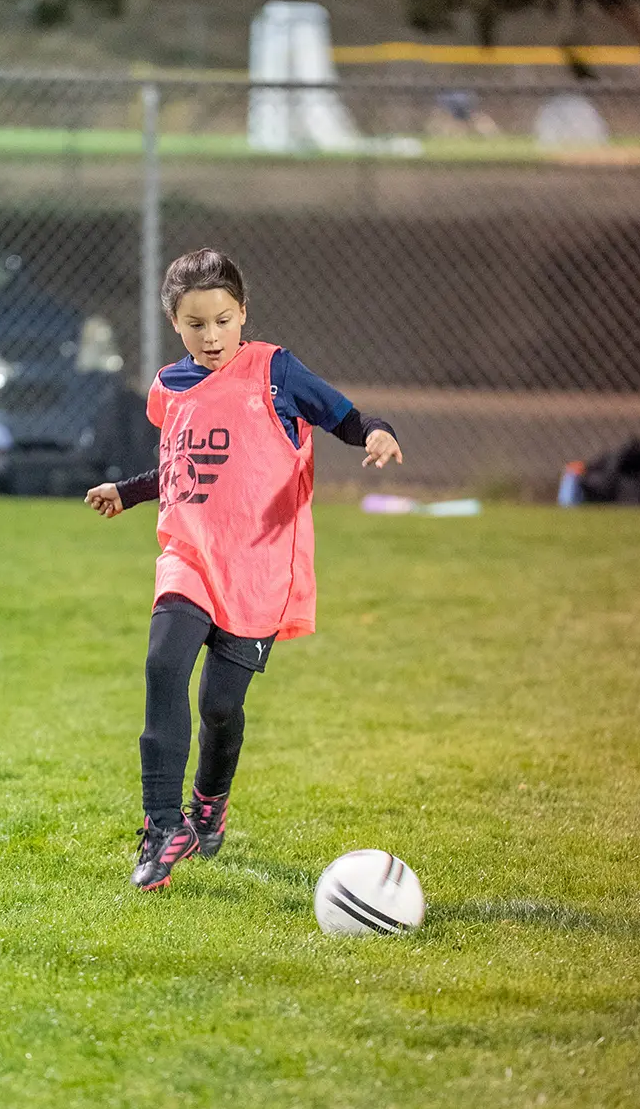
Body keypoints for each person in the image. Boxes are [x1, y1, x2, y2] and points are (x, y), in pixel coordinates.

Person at [85, 248, 403, 891]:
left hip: (258, 568)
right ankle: (162, 824)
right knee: (163, 666)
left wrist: (376, 431)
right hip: (189, 555)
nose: (211, 336)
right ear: (175, 323)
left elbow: (343, 416)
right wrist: (131, 490)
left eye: (223, 321)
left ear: (243, 314)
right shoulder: (170, 387)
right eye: (196, 324)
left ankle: (209, 800)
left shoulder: (275, 371)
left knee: (220, 706)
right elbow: (186, 468)